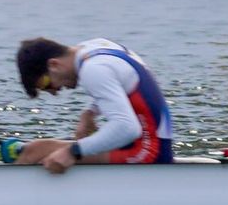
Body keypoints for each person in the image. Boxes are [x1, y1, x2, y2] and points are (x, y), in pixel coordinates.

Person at [13, 36, 174, 173]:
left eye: (46, 84)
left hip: (147, 153)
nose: (54, 92)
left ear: (54, 64)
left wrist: (73, 152)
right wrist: (90, 113)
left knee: (34, 152)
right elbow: (122, 84)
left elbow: (127, 128)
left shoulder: (93, 69)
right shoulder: (97, 47)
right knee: (40, 147)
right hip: (154, 145)